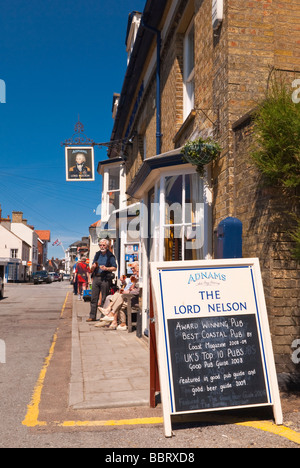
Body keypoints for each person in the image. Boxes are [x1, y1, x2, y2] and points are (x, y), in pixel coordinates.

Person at [97, 262, 139, 331]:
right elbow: (128, 287)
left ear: (138, 269)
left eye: (133, 268)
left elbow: (137, 291)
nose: (132, 269)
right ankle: (111, 315)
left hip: (133, 298)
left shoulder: (140, 278)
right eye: (131, 268)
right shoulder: (133, 277)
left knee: (118, 298)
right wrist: (124, 283)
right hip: (127, 296)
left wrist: (129, 291)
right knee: (116, 295)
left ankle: (112, 317)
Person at [87, 239, 117, 322]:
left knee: (104, 298)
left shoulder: (110, 255)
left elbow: (114, 267)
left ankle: (103, 317)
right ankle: (92, 316)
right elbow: (92, 267)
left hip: (105, 278)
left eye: (104, 245)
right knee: (93, 297)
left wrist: (106, 268)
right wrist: (93, 267)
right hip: (96, 277)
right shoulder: (97, 254)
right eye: (100, 245)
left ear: (107, 246)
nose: (102, 247)